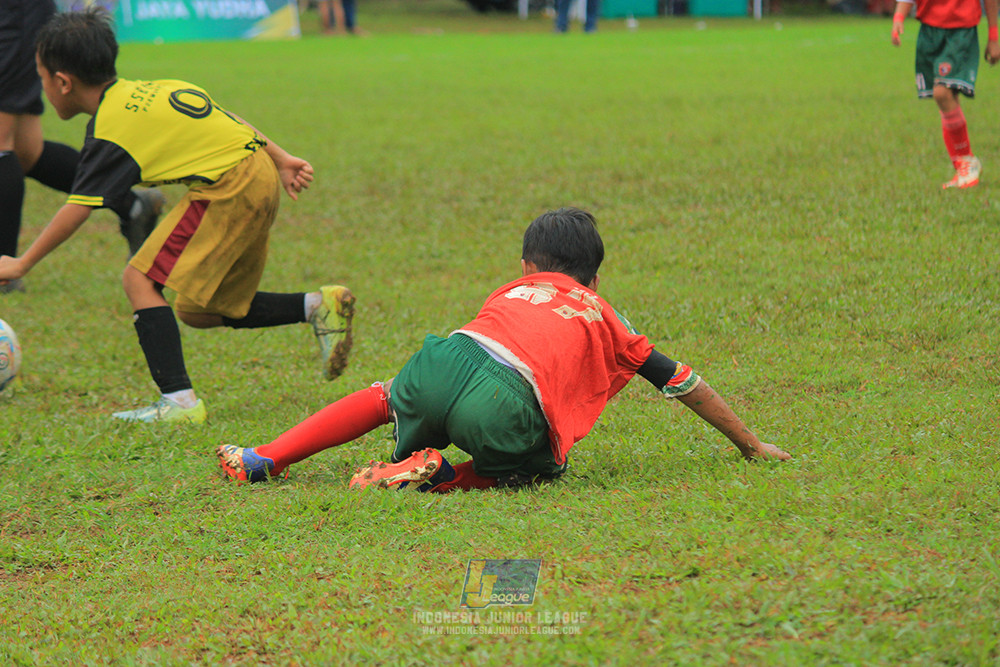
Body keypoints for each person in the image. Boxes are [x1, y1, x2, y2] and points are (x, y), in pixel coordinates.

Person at [217, 207, 790, 492]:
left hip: (448, 357)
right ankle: (441, 475)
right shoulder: (608, 317)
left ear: (526, 266)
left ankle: (264, 457)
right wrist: (751, 444)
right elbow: (684, 382)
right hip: (510, 401)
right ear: (592, 278)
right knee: (545, 465)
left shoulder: (514, 288)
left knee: (387, 396)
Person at [0, 8, 356, 423]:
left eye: (42, 78)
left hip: (228, 187)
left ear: (62, 82)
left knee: (138, 279)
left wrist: (22, 262)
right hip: (255, 173)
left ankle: (179, 402)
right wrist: (280, 159)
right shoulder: (156, 87)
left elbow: (77, 209)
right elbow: (228, 118)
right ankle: (317, 306)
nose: (42, 89)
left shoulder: (111, 127)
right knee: (197, 309)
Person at [0, 0, 164, 296]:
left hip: (13, 15)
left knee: (2, 144)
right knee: (26, 152)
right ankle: (132, 205)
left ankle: (4, 272)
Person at [891, 0, 1000, 189]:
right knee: (947, 96)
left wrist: (993, 36)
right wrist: (899, 17)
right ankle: (963, 166)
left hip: (961, 30)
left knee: (941, 93)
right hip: (929, 31)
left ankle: (966, 161)